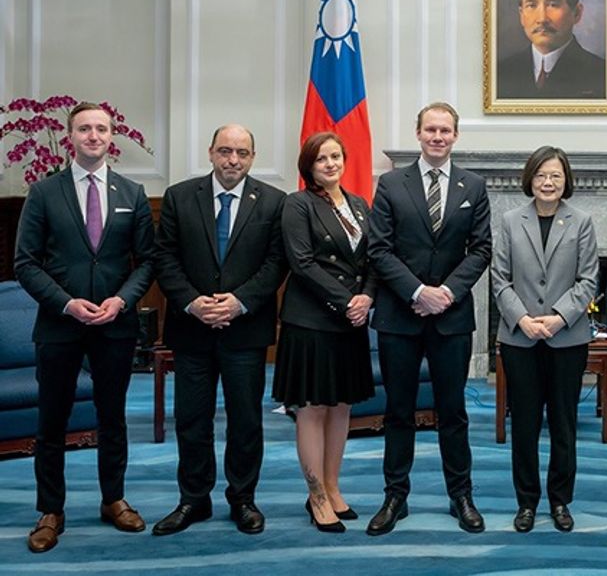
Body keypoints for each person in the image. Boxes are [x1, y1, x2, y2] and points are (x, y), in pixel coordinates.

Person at [14, 102, 156, 553]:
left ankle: (113, 499)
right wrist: (65, 303)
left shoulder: (132, 194)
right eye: (84, 129)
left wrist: (123, 299)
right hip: (59, 326)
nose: (93, 135)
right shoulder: (43, 192)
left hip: (115, 325)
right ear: (69, 135)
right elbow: (25, 263)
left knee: (113, 418)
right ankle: (50, 510)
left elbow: (148, 260)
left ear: (111, 135)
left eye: (101, 128)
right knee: (51, 421)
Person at [152, 124, 288, 536]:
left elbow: (276, 263)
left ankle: (243, 499)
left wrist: (239, 301)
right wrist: (194, 302)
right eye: (225, 151)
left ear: (252, 157)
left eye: (242, 153)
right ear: (210, 152)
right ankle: (193, 499)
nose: (233, 160)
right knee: (192, 419)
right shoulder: (179, 196)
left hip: (244, 329)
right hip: (191, 327)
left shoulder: (273, 202)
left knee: (245, 419)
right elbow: (164, 258)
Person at [365, 101, 493, 535]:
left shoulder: (473, 186)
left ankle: (461, 495)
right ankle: (394, 496)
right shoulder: (390, 184)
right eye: (431, 130)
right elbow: (378, 248)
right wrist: (418, 292)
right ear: (418, 134)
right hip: (400, 317)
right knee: (399, 411)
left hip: (451, 319)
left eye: (446, 131)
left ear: (456, 136)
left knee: (453, 411)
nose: (438, 137)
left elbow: (481, 249)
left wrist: (446, 294)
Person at [273, 132, 377, 534]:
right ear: (309, 166)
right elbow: (302, 263)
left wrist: (365, 298)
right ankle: (315, 495)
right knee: (314, 408)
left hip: (350, 322)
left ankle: (333, 487)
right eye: (322, 159)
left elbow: (372, 260)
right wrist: (347, 300)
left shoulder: (359, 204)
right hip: (312, 321)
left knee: (342, 406)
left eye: (336, 156)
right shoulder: (297, 204)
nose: (331, 163)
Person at [491, 145, 599, 533]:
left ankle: (560, 500)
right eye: (541, 175)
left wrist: (557, 318)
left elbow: (589, 280)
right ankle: (527, 502)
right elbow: (499, 278)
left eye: (555, 175)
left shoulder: (582, 221)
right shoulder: (509, 220)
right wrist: (523, 319)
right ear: (529, 179)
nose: (548, 182)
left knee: (564, 423)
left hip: (566, 338)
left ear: (566, 179)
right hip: (520, 339)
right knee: (524, 422)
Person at [496, 0, 607, 100]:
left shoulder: (602, 74)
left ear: (576, 13)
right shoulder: (500, 72)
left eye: (553, 5)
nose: (542, 18)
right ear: (522, 15)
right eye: (531, 5)